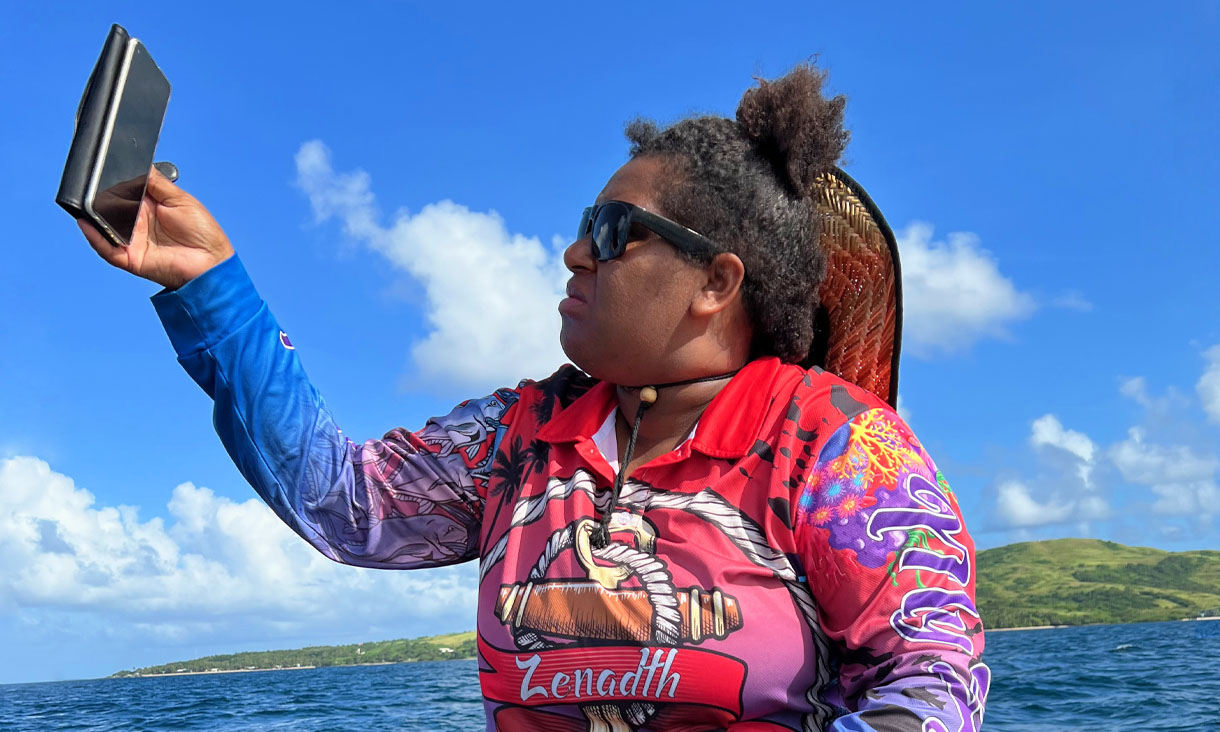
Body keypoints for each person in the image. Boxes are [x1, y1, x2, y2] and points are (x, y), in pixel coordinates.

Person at [80, 64, 989, 732]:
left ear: (716, 281)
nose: (574, 253)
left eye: (610, 231)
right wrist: (210, 284)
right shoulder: (522, 435)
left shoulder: (832, 441)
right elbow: (344, 506)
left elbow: (928, 670)